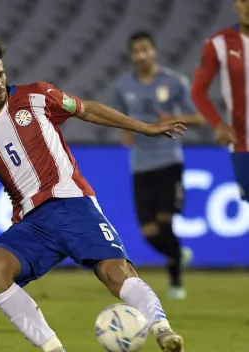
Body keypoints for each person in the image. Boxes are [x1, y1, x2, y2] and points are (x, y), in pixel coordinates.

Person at [0, 35, 186, 352]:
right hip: (32, 224)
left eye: (0, 74)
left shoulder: (37, 95)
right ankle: (53, 348)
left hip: (72, 204)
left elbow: (88, 111)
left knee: (115, 273)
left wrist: (143, 127)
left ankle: (163, 330)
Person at [113, 31, 204, 300]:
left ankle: (176, 283)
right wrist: (125, 131)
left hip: (168, 161)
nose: (141, 55)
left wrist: (174, 117)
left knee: (165, 224)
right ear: (131, 56)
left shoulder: (174, 82)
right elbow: (121, 118)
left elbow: (199, 119)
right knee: (149, 233)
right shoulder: (122, 87)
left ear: (154, 51)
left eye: (145, 49)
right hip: (140, 165)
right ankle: (176, 254)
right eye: (136, 51)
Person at [191, 0, 248, 202]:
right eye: (243, 0)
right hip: (243, 145)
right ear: (235, 4)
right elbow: (198, 91)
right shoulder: (218, 43)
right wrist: (218, 124)